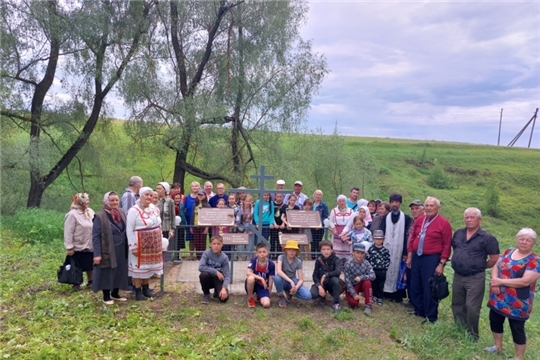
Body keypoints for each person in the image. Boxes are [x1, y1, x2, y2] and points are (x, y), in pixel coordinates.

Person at [485, 228, 539, 359]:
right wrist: (495, 281)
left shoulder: (535, 261)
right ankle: (497, 346)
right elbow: (496, 266)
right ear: (517, 239)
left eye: (528, 240)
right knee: (495, 320)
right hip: (498, 297)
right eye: (521, 239)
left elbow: (525, 281)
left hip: (518, 302)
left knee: (517, 328)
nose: (524, 242)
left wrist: (500, 281)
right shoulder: (508, 251)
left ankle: (518, 357)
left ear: (533, 243)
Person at [451, 207, 499, 341]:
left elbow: (495, 258)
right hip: (458, 275)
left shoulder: (487, 238)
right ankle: (459, 329)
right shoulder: (459, 233)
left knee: (472, 307)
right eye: (466, 217)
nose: (469, 220)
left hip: (475, 277)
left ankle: (472, 335)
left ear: (479, 219)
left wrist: (478, 266)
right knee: (457, 304)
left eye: (472, 217)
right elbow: (456, 249)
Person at [407, 196, 452, 323]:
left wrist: (442, 263)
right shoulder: (420, 220)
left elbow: (447, 244)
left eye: (431, 206)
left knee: (429, 286)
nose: (428, 208)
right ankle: (418, 309)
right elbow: (413, 238)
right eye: (427, 205)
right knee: (415, 283)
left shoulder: (444, 223)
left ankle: (430, 316)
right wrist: (410, 256)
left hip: (432, 258)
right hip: (417, 256)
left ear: (437, 207)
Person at [126, 186, 163, 300]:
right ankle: (138, 291)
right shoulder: (134, 210)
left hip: (153, 245)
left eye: (151, 195)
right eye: (146, 195)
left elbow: (158, 225)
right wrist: (133, 246)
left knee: (148, 267)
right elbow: (129, 229)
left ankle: (146, 289)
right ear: (141, 196)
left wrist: (160, 239)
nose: (149, 197)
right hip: (139, 244)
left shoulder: (154, 209)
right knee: (139, 268)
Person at [92, 192, 129, 304]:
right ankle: (106, 296)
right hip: (107, 248)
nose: (115, 202)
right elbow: (96, 237)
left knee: (120, 269)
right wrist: (97, 254)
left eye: (116, 200)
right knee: (107, 270)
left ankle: (115, 293)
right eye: (112, 200)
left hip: (121, 248)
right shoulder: (100, 216)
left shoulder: (121, 212)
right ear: (106, 201)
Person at [379, 193, 412, 303]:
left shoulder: (406, 218)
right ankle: (385, 292)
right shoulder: (385, 218)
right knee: (386, 269)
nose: (394, 204)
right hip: (387, 248)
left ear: (400, 203)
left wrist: (405, 252)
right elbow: (381, 233)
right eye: (392, 202)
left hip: (399, 249)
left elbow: (407, 236)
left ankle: (396, 295)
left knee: (398, 271)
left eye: (396, 202)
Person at [64, 193, 96, 290]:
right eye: (86, 200)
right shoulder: (72, 214)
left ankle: (91, 281)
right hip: (78, 244)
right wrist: (69, 246)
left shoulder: (90, 211)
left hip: (89, 242)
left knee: (90, 263)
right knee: (77, 264)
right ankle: (76, 283)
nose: (88, 202)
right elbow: (68, 231)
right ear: (79, 201)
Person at [274, 240, 312, 307]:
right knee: (277, 278)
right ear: (286, 250)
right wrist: (290, 281)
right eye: (289, 249)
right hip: (283, 280)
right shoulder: (281, 257)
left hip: (293, 281)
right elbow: (279, 271)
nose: (291, 252)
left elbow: (301, 279)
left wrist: (296, 287)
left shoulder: (298, 261)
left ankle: (290, 293)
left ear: (297, 251)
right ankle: (281, 296)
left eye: (294, 250)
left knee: (308, 296)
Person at [310, 240, 343, 313]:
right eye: (324, 249)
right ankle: (322, 296)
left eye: (328, 249)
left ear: (332, 250)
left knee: (336, 280)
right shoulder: (319, 260)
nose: (326, 251)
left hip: (331, 282)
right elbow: (315, 275)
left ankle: (336, 303)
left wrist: (326, 275)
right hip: (322, 284)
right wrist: (319, 286)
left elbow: (338, 272)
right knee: (313, 294)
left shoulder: (336, 259)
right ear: (321, 250)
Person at [344, 243, 375, 315]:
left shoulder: (366, 263)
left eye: (362, 253)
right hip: (352, 286)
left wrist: (361, 277)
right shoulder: (348, 264)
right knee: (353, 304)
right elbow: (347, 281)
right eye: (357, 252)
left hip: (362, 284)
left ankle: (368, 304)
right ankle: (350, 295)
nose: (360, 255)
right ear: (353, 252)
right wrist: (354, 294)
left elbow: (373, 276)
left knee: (367, 282)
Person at [198, 234, 230, 304]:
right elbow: (201, 267)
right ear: (210, 245)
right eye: (214, 244)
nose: (216, 246)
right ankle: (206, 294)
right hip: (208, 278)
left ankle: (217, 290)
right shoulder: (206, 253)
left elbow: (227, 275)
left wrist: (224, 288)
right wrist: (216, 272)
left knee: (224, 299)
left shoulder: (224, 257)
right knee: (203, 275)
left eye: (218, 244)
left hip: (218, 279)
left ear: (222, 245)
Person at [246, 242, 275, 308]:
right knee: (251, 278)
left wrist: (269, 293)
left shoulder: (271, 264)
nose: (262, 254)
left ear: (267, 252)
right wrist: (261, 278)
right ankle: (250, 298)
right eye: (260, 252)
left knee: (266, 304)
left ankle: (259, 296)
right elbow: (248, 272)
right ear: (256, 253)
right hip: (253, 284)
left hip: (263, 287)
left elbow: (271, 279)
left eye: (264, 252)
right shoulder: (254, 261)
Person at [366, 230, 391, 306]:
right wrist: (369, 269)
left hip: (382, 271)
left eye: (380, 239)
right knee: (373, 284)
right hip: (373, 270)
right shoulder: (371, 249)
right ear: (373, 239)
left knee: (380, 285)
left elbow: (388, 260)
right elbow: (367, 259)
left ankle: (380, 297)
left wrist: (385, 268)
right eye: (376, 239)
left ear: (383, 240)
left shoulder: (385, 251)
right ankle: (374, 296)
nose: (378, 241)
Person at [329, 195, 355, 261]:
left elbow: (351, 222)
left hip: (347, 231)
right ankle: (336, 261)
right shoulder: (334, 210)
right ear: (338, 202)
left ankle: (347, 262)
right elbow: (331, 221)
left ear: (345, 201)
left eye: (343, 201)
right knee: (337, 249)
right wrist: (333, 228)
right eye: (340, 201)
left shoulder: (351, 211)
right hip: (337, 231)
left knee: (347, 247)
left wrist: (345, 232)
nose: (341, 202)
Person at [190, 189, 210, 260]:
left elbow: (209, 218)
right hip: (195, 226)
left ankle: (203, 257)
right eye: (199, 195)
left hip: (203, 227)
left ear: (205, 196)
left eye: (202, 195)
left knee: (202, 242)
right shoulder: (194, 205)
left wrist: (207, 228)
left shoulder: (207, 206)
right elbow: (192, 216)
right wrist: (191, 226)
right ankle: (198, 257)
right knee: (196, 242)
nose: (200, 196)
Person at [184, 181, 201, 260]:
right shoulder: (187, 197)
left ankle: (199, 255)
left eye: (196, 186)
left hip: (199, 221)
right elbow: (184, 209)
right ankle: (191, 255)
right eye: (193, 186)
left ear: (199, 187)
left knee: (198, 239)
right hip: (189, 221)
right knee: (191, 239)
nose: (194, 187)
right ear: (191, 188)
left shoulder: (201, 197)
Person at [312, 189, 329, 259]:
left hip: (320, 227)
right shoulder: (310, 204)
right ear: (314, 195)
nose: (318, 196)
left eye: (319, 195)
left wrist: (320, 224)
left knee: (318, 242)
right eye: (316, 194)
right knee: (312, 242)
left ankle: (319, 258)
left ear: (321, 196)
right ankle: (312, 257)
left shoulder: (324, 206)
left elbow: (325, 216)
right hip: (311, 227)